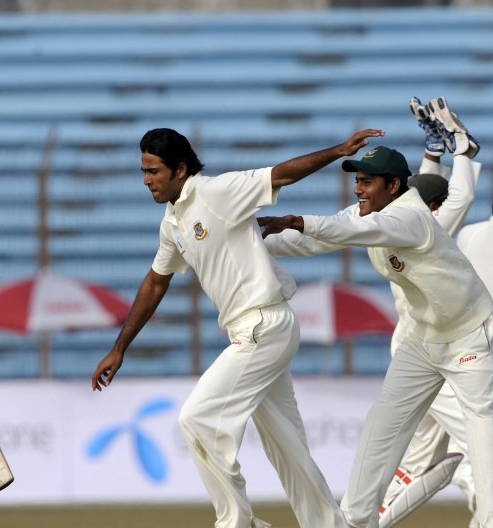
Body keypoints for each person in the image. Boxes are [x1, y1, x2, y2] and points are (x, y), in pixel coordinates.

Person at [90, 126, 385, 528]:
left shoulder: (216, 193)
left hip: (263, 325)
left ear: (179, 170)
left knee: (197, 419)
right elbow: (156, 281)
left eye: (153, 171)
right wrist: (119, 347)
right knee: (288, 447)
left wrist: (340, 151)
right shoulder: (172, 221)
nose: (146, 180)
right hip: (258, 330)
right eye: (143, 171)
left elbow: (279, 174)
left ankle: (237, 523)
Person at [258, 132, 493, 527]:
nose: (358, 188)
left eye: (367, 182)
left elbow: (350, 232)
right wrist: (251, 242)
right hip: (423, 341)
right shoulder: (367, 213)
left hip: (469, 337)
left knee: (482, 437)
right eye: (357, 180)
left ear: (394, 186)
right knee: (382, 424)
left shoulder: (411, 217)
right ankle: (356, 520)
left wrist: (298, 219)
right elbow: (316, 240)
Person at [378, 97, 482, 528]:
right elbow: (461, 196)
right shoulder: (429, 232)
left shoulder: (408, 221)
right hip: (434, 360)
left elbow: (429, 194)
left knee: (418, 462)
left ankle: (357, 521)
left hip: (419, 350)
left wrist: (433, 152)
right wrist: (463, 153)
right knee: (481, 448)